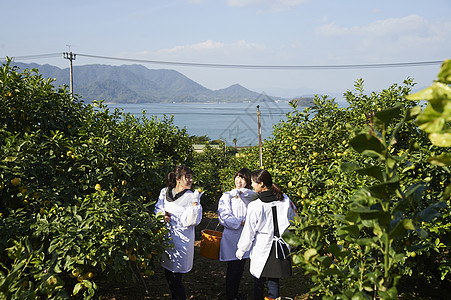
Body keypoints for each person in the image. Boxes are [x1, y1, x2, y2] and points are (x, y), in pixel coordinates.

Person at [236, 169, 297, 300]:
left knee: (259, 279)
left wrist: (241, 249)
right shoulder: (285, 199)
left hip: (263, 246)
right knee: (273, 281)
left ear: (261, 184)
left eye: (253, 182)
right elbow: (294, 218)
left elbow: (249, 231)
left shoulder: (256, 206)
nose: (252, 185)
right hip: (280, 246)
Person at [154, 165, 203, 300]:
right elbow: (158, 208)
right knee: (168, 273)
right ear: (178, 179)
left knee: (176, 277)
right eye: (187, 177)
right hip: (167, 238)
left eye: (191, 177)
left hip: (182, 240)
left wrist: (195, 205)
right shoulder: (165, 192)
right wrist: (162, 215)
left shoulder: (191, 196)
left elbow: (194, 220)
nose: (191, 180)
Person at [218, 168, 258, 300]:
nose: (239, 180)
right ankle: (230, 294)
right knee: (233, 267)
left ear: (248, 181)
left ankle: (235, 293)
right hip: (232, 237)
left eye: (243, 178)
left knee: (240, 266)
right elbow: (223, 216)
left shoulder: (251, 196)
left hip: (246, 236)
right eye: (237, 177)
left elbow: (252, 199)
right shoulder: (227, 195)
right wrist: (240, 223)